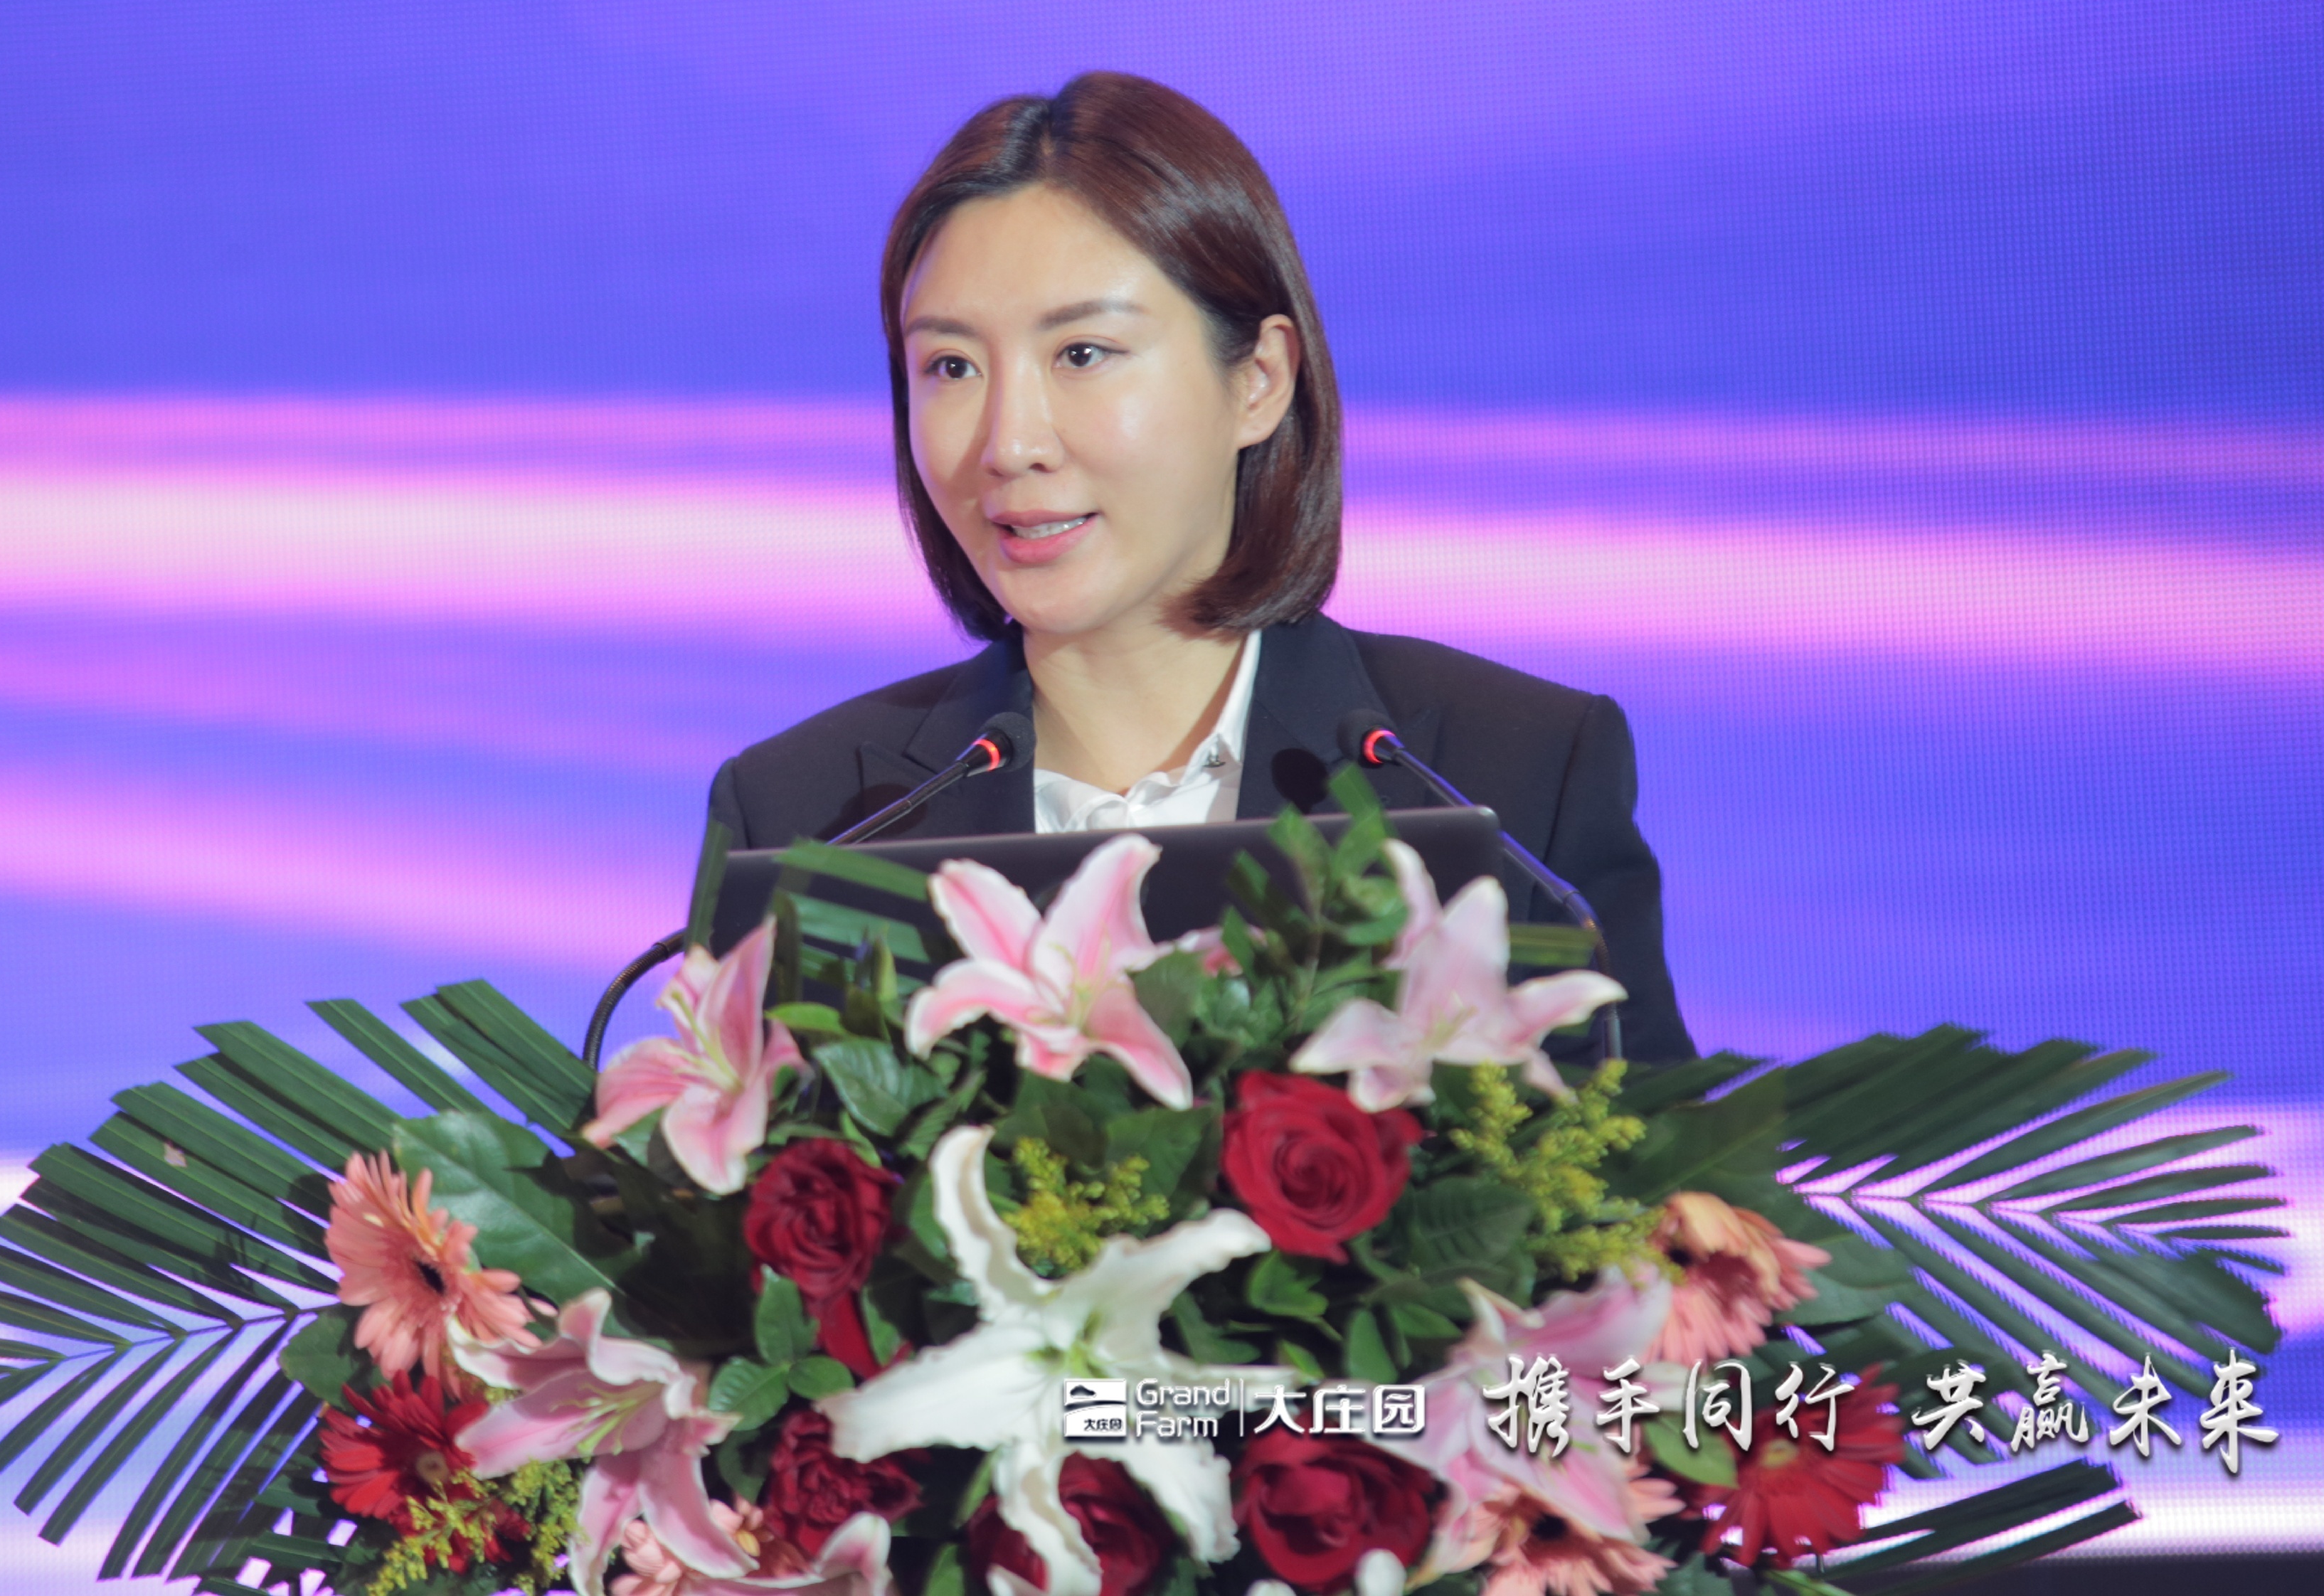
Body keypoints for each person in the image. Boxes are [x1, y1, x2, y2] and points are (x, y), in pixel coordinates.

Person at [706, 73, 1693, 1063]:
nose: (1009, 444)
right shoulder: (807, 819)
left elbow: (1655, 1152)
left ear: (1258, 381)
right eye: (951, 367)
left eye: (1083, 353)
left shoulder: (1509, 775)